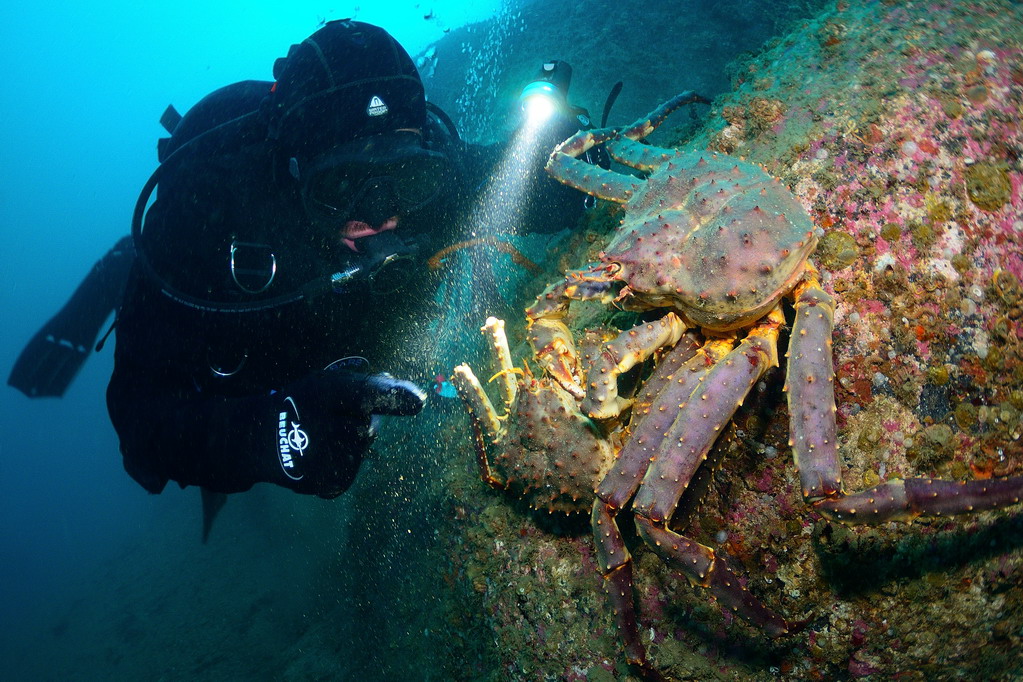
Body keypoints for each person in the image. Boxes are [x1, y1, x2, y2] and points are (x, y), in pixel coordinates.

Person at [8, 20, 588, 509]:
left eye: (405, 178)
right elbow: (141, 426)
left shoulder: (429, 185)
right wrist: (266, 439)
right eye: (343, 187)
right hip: (247, 344)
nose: (381, 216)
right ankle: (122, 265)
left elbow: (530, 182)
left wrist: (585, 171)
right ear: (292, 175)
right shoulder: (209, 218)